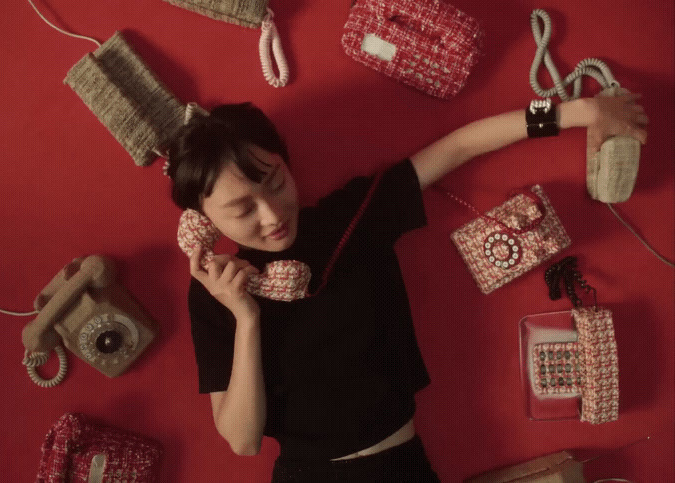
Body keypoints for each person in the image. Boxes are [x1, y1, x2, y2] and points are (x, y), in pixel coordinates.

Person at [165, 94, 647, 482]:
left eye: (275, 182)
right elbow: (243, 440)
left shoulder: (348, 220)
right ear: (202, 221)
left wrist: (582, 112)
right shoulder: (214, 291)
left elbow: (457, 147)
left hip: (401, 465)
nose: (271, 215)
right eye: (242, 209)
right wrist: (246, 318)